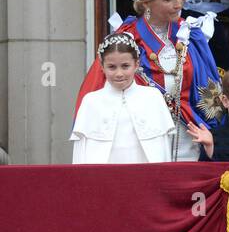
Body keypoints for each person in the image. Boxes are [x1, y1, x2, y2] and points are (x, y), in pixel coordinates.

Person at [75, 0, 223, 161]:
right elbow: (98, 92)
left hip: (188, 140)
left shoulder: (191, 36)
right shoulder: (127, 39)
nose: (178, 4)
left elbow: (210, 93)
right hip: (140, 141)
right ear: (147, 2)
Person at [71, 34, 174, 164]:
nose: (119, 74)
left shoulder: (153, 98)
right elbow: (80, 154)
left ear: (136, 64)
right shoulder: (91, 101)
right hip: (102, 180)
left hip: (145, 178)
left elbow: (163, 150)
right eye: (112, 67)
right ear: (102, 67)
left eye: (125, 66)